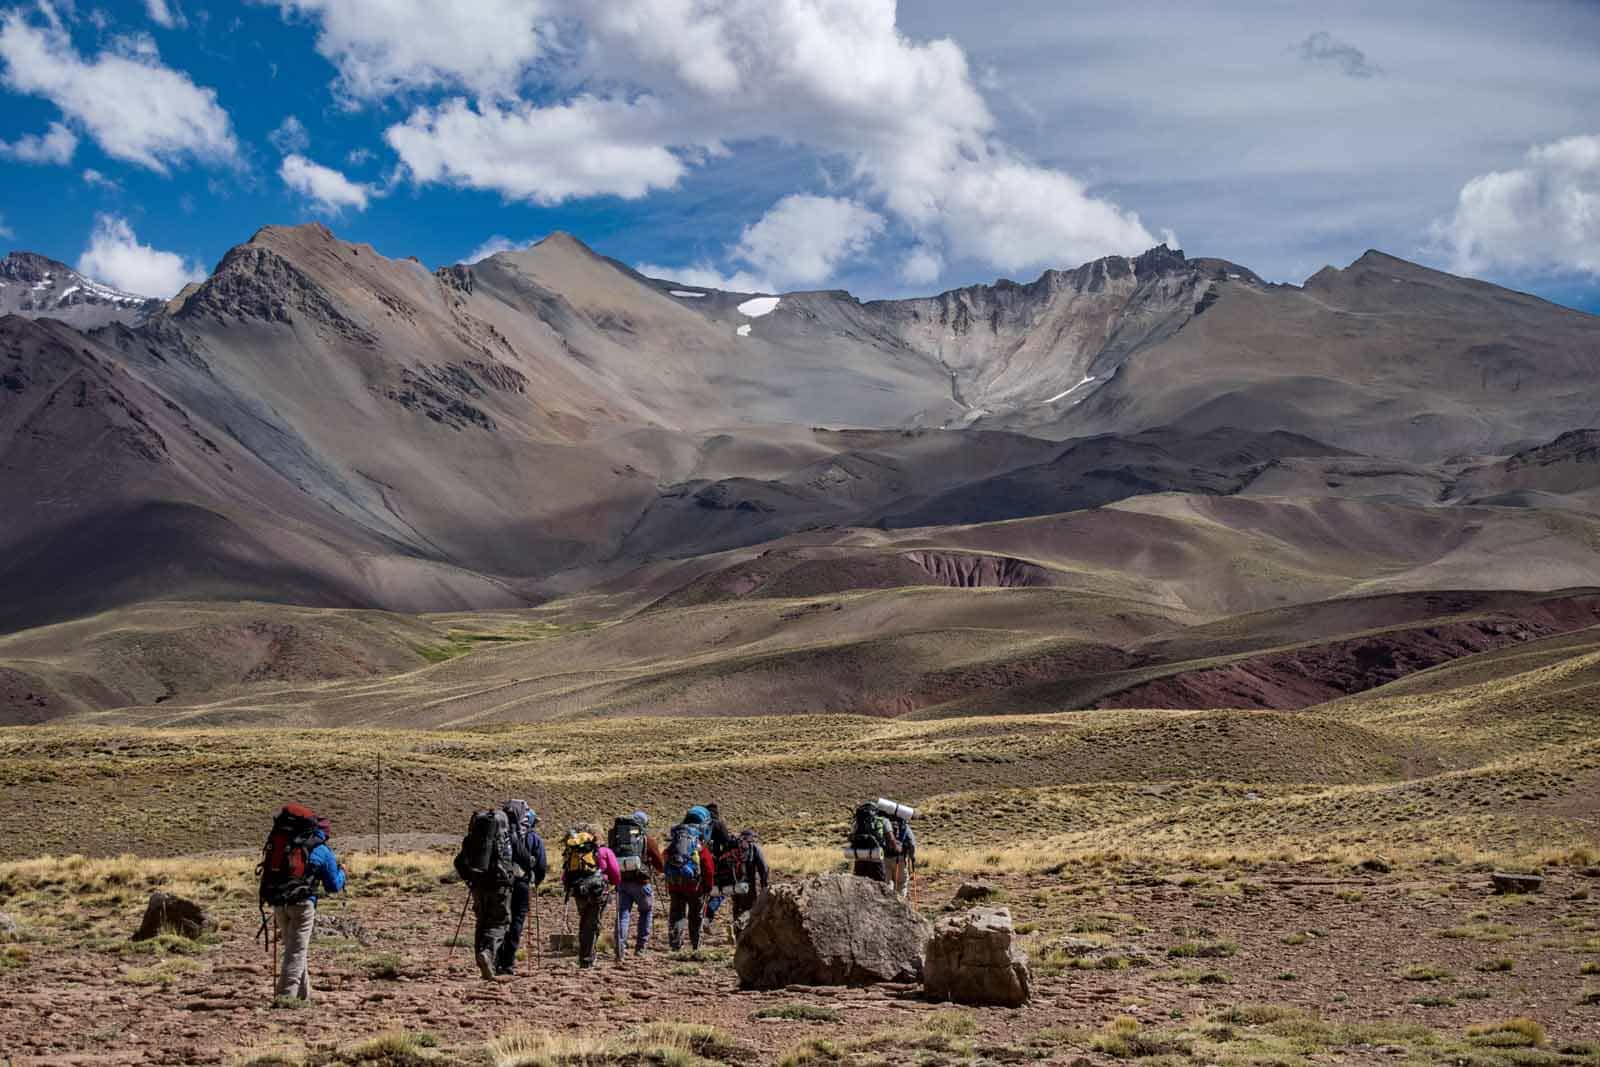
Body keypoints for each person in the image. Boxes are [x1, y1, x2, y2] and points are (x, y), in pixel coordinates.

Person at [258, 806, 345, 1002]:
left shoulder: (286, 842)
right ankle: (286, 996)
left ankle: (304, 996)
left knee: (294, 948)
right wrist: (343, 873)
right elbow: (333, 886)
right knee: (296, 950)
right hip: (303, 905)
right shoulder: (321, 849)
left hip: (279, 901)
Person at [466, 808, 534, 981]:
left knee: (482, 921)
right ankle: (487, 954)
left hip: (478, 885)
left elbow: (459, 861)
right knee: (500, 922)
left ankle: (481, 959)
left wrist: (470, 880)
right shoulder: (508, 836)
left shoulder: (473, 838)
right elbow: (525, 859)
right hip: (500, 885)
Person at [496, 801, 547, 976]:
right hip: (521, 884)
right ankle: (508, 962)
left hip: (500, 882)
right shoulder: (534, 838)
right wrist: (535, 882)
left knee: (500, 919)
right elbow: (541, 866)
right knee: (517, 921)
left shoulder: (502, 833)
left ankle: (495, 958)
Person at [561, 822, 621, 969]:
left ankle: (585, 955)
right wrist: (613, 883)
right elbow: (616, 874)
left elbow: (564, 876)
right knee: (592, 924)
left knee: (585, 922)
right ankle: (587, 959)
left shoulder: (574, 852)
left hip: (578, 891)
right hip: (598, 892)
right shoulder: (604, 852)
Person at [611, 810, 665, 962]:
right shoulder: (647, 839)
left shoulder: (618, 838)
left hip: (622, 883)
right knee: (646, 912)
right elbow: (661, 865)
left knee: (623, 914)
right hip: (642, 883)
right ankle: (641, 948)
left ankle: (620, 948)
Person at [665, 807, 716, 951]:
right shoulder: (699, 844)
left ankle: (675, 945)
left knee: (676, 915)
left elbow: (666, 858)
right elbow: (709, 868)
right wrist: (708, 887)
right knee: (695, 916)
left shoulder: (675, 842)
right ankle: (695, 945)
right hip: (695, 886)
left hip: (675, 885)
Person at [723, 829, 769, 939]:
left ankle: (737, 935)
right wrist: (764, 885)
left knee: (737, 907)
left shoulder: (733, 847)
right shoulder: (754, 848)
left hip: (733, 884)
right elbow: (764, 868)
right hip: (748, 885)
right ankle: (738, 925)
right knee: (750, 908)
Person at [848, 801, 896, 884]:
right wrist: (894, 848)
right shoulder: (883, 821)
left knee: (860, 884)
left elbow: (851, 837)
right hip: (876, 857)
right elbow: (891, 839)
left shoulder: (857, 822)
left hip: (860, 856)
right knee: (880, 884)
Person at [889, 816, 916, 900]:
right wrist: (912, 857)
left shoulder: (884, 823)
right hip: (900, 859)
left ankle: (887, 905)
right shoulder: (904, 826)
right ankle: (900, 905)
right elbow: (911, 843)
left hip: (884, 858)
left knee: (886, 885)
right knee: (901, 884)